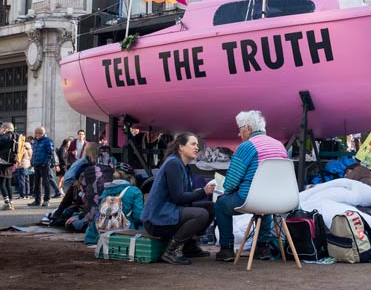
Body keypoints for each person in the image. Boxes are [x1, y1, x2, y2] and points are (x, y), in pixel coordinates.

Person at [215, 110, 288, 262]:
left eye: (240, 129)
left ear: (248, 128)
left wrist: (227, 191)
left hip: (250, 199)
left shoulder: (246, 147)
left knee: (221, 204)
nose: (238, 134)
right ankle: (263, 247)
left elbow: (231, 182)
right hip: (277, 200)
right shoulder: (280, 146)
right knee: (264, 204)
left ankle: (227, 249)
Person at [142, 133, 216, 265]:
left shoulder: (183, 166)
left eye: (197, 145)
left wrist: (199, 192)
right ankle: (172, 250)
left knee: (211, 207)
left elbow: (182, 196)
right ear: (181, 147)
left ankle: (189, 246)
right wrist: (202, 192)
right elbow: (178, 197)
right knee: (201, 214)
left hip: (171, 211)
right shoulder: (173, 164)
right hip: (158, 218)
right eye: (193, 144)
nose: (196, 148)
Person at [84, 163, 145, 245]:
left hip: (100, 233)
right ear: (131, 177)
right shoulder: (135, 191)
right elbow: (138, 216)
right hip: (126, 234)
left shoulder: (106, 190)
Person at [0, 122, 19, 210]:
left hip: (2, 161)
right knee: (8, 182)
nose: (0, 129)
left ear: (5, 128)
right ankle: (11, 202)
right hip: (11, 161)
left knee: (1, 182)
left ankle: (7, 203)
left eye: (1, 127)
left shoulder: (6, 136)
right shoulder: (16, 136)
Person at [29, 126, 55, 207]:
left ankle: (46, 200)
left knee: (46, 182)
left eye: (37, 134)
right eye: (36, 133)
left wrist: (45, 163)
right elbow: (34, 152)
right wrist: (32, 162)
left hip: (44, 165)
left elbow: (50, 153)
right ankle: (37, 200)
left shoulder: (48, 141)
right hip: (36, 164)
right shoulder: (35, 141)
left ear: (41, 133)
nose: (36, 135)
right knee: (36, 183)